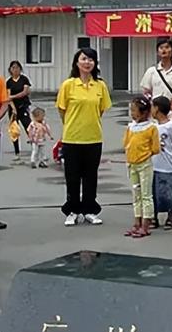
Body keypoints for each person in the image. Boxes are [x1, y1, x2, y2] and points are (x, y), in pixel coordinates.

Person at [56, 48, 111, 226]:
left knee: (90, 176)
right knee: (72, 176)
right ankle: (72, 210)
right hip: (72, 137)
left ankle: (89, 209)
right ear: (77, 62)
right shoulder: (68, 85)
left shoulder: (100, 85)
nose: (87, 63)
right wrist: (73, 123)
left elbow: (101, 109)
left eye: (91, 60)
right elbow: (62, 109)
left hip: (93, 138)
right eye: (84, 59)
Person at [123, 95, 160, 238]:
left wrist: (144, 154)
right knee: (136, 194)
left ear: (144, 112)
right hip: (132, 164)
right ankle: (136, 222)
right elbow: (126, 143)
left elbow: (155, 148)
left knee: (146, 195)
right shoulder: (131, 127)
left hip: (145, 164)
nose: (132, 113)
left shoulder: (151, 128)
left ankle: (146, 224)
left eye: (134, 110)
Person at [151, 96, 172, 230]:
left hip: (168, 165)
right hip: (154, 164)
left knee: (168, 192)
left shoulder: (171, 127)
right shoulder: (152, 126)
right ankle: (154, 216)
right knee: (154, 192)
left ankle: (171, 216)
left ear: (157, 109)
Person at [6, 61, 31, 163]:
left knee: (29, 127)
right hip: (13, 109)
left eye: (17, 67)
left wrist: (14, 96)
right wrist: (13, 108)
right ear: (10, 70)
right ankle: (17, 153)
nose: (15, 70)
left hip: (23, 106)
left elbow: (25, 92)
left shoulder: (24, 79)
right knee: (14, 131)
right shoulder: (9, 82)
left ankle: (36, 150)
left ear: (20, 69)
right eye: (13, 68)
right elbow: (8, 97)